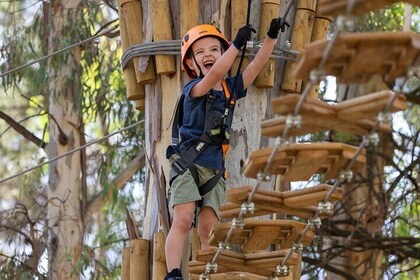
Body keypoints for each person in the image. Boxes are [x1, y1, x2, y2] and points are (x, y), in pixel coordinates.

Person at [164, 18, 290, 280]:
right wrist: (234, 44)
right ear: (190, 64)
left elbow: (256, 65)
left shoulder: (231, 89)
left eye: (213, 50)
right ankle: (173, 273)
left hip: (214, 169)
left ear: (221, 54)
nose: (208, 55)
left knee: (209, 228)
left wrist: (270, 37)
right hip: (187, 164)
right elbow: (215, 74)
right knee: (184, 219)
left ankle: (209, 274)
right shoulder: (194, 89)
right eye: (200, 52)